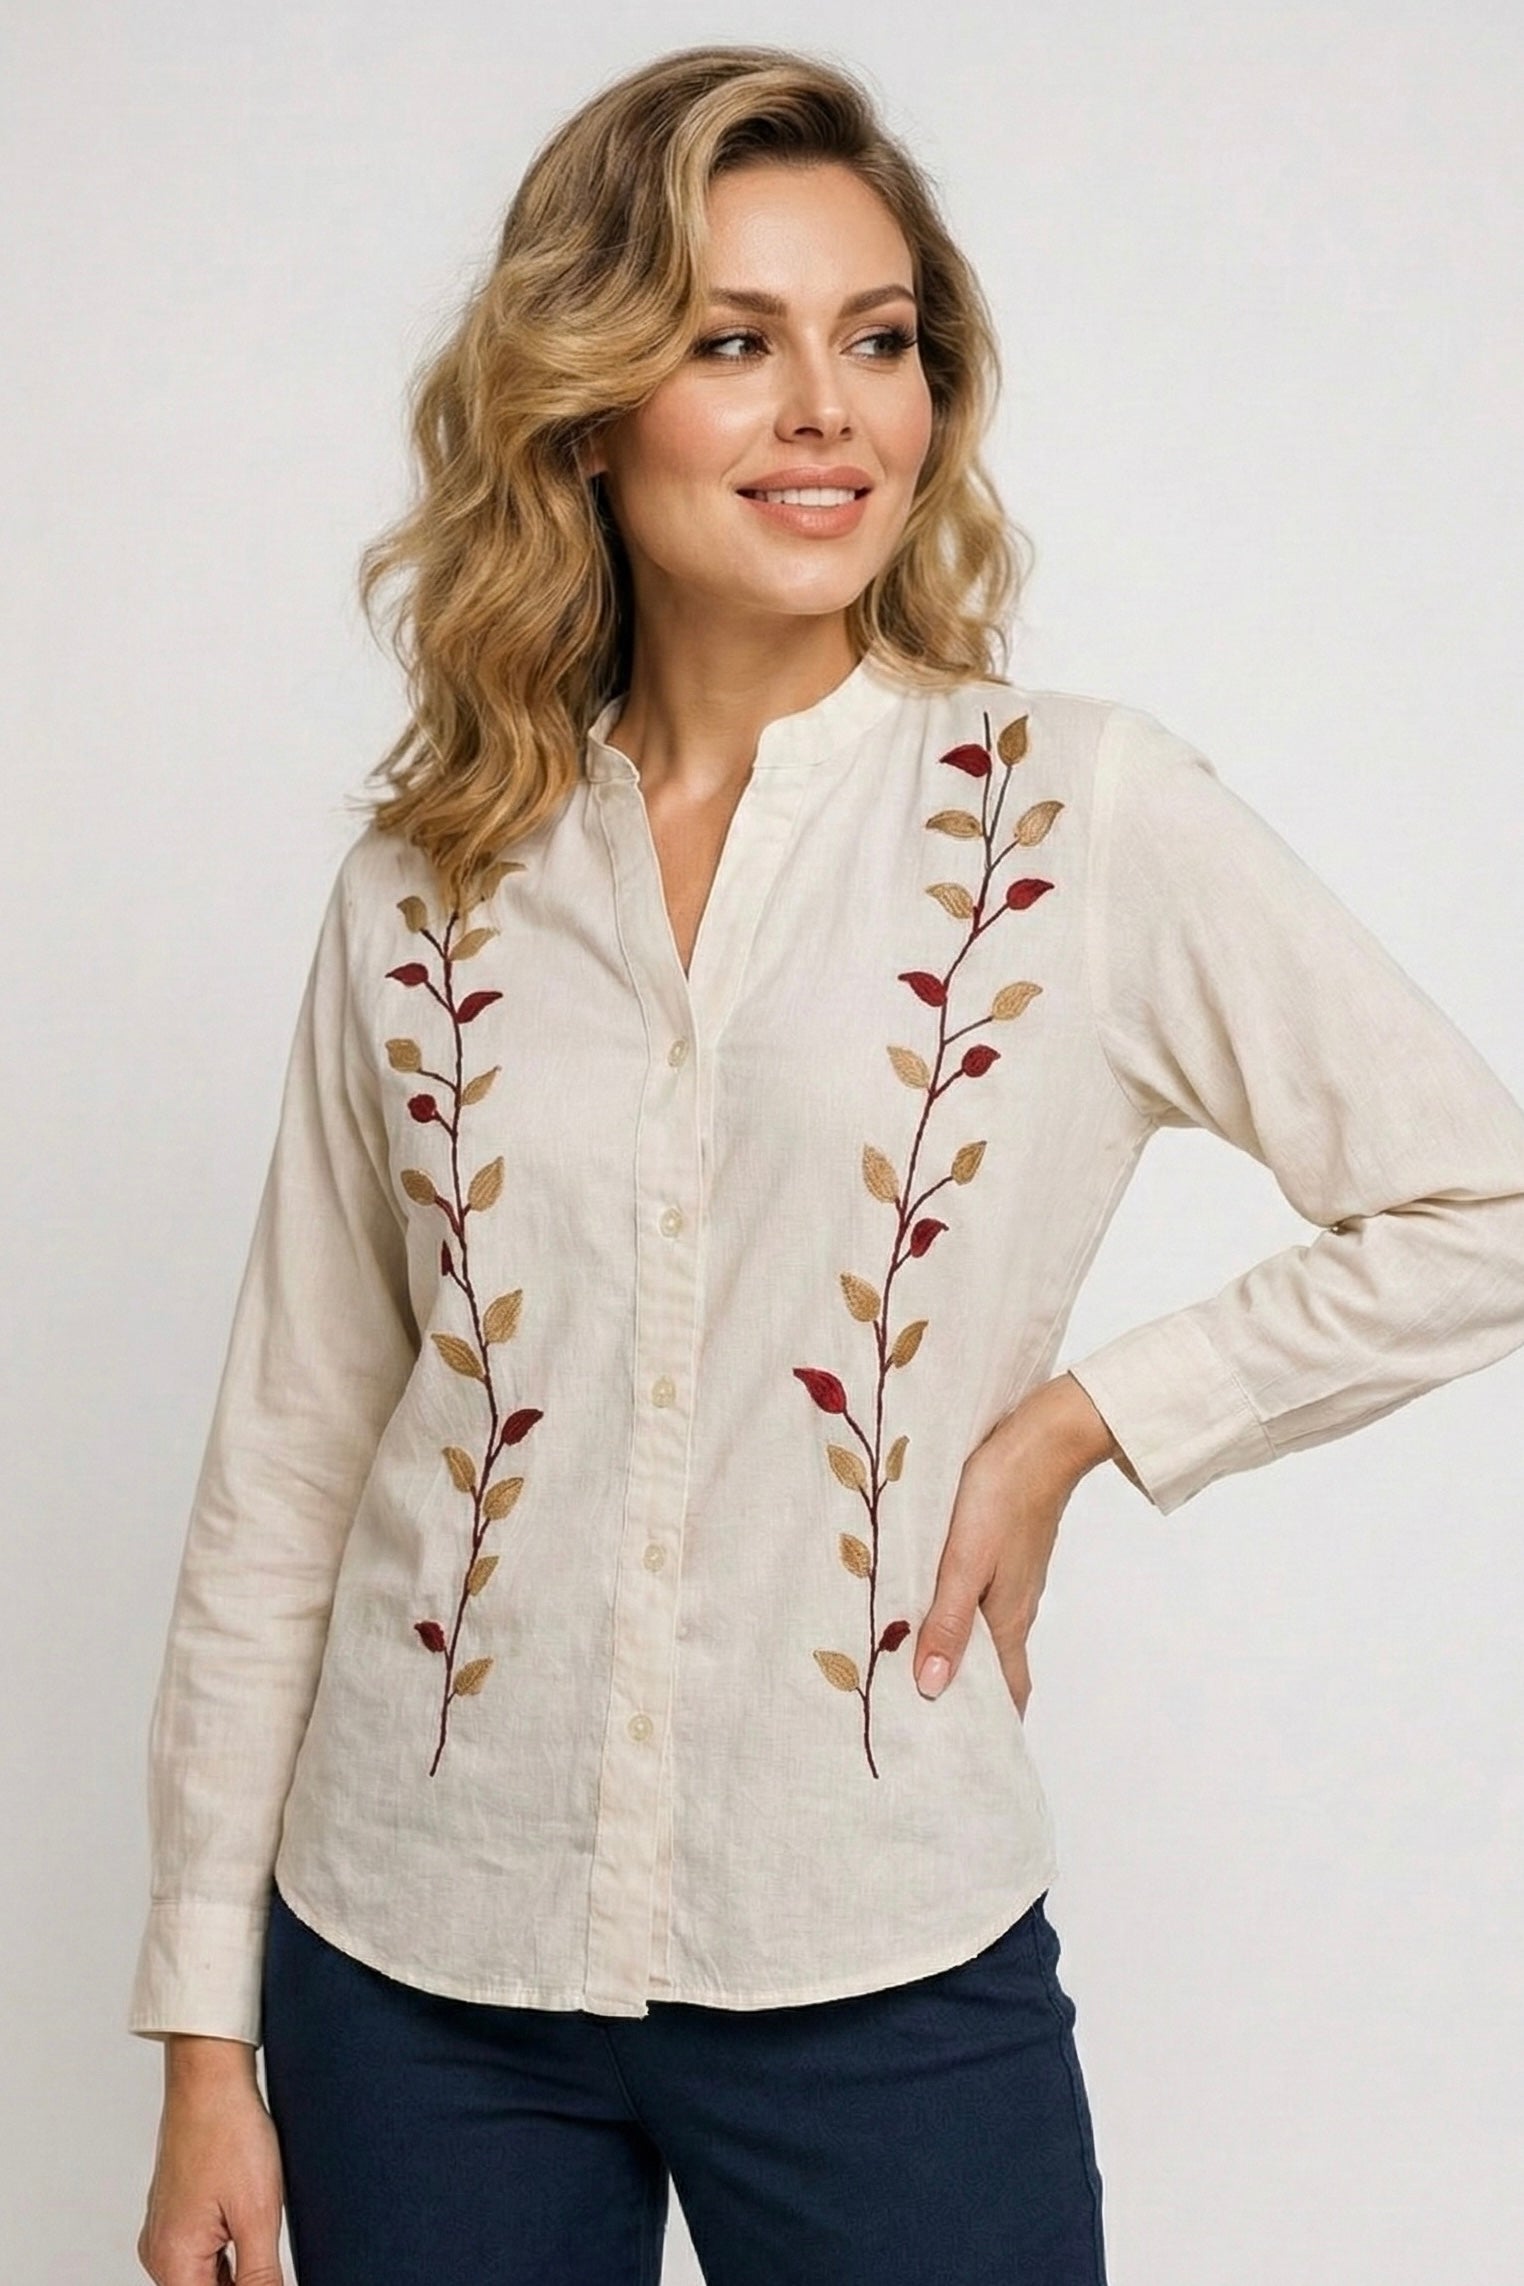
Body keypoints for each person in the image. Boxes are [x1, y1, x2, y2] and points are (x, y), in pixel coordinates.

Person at [130, 41, 1524, 2286]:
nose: (827, 413)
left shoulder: (1067, 818)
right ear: (584, 408)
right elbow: (291, 1459)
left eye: (878, 341)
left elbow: (1484, 1202)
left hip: (875, 1941)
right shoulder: (430, 879)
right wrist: (208, 2040)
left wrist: (1083, 1426)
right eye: (732, 342)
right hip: (414, 1963)